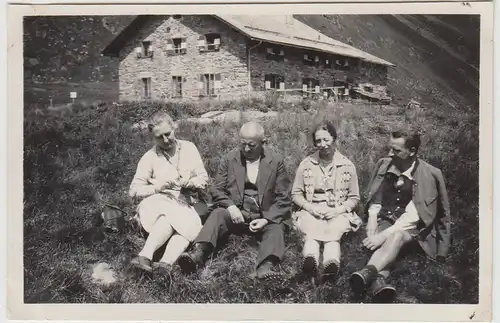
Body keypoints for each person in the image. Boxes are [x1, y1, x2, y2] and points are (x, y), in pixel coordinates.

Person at [177, 121, 292, 284]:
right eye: (243, 144)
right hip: (238, 214)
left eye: (251, 145)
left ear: (263, 143)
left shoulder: (276, 162)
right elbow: (216, 189)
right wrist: (231, 207)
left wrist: (266, 219)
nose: (246, 149)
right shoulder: (230, 159)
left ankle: (265, 268)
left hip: (263, 216)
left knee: (277, 228)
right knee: (218, 214)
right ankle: (198, 254)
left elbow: (284, 197)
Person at [350, 129, 451, 302]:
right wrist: (373, 218)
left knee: (395, 237)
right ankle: (377, 283)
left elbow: (418, 216)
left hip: (414, 229)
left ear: (412, 151)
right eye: (390, 148)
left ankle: (367, 272)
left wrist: (442, 249)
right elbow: (377, 195)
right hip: (387, 219)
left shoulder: (431, 174)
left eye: (396, 150)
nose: (390, 153)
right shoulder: (385, 164)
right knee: (389, 244)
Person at [128, 111, 209, 276]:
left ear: (175, 128)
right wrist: (157, 187)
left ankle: (163, 264)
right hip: (158, 205)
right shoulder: (149, 157)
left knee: (182, 220)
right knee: (169, 215)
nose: (165, 140)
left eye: (168, 134)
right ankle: (148, 256)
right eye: (159, 137)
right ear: (153, 138)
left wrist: (192, 183)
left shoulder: (189, 148)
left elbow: (203, 178)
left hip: (187, 203)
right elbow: (133, 191)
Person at [291, 121, 361, 283]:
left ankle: (331, 264)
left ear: (334, 139)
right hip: (312, 209)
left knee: (333, 238)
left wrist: (338, 210)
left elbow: (354, 198)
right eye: (318, 141)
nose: (322, 145)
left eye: (326, 140)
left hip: (336, 210)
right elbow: (296, 194)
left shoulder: (347, 165)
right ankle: (310, 260)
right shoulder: (306, 164)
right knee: (311, 236)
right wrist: (309, 207)